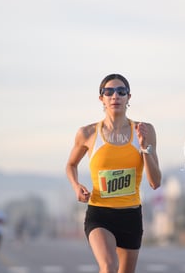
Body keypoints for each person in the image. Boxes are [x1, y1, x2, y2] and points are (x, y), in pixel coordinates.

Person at [66, 73, 161, 273]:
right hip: (100, 213)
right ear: (101, 98)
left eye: (121, 91)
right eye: (108, 92)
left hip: (131, 215)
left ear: (129, 97)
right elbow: (71, 165)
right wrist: (76, 186)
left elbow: (155, 182)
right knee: (109, 267)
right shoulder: (88, 133)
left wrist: (145, 148)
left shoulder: (144, 131)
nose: (115, 96)